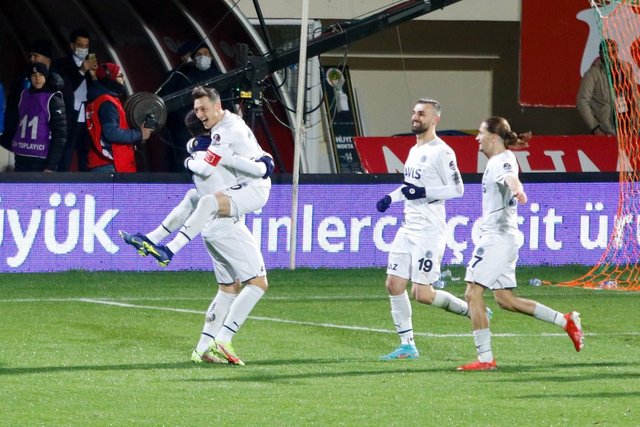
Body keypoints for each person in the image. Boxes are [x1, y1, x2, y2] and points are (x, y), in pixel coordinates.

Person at [120, 110, 272, 366]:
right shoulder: (216, 151)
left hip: (209, 228)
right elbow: (253, 166)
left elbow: (192, 198)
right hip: (227, 224)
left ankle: (202, 349)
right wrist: (264, 163)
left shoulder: (198, 152)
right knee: (258, 283)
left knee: (228, 288)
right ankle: (224, 339)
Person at [457, 116, 583, 371]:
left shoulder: (501, 160)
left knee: (472, 293)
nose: (477, 138)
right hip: (505, 236)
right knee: (505, 299)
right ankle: (566, 321)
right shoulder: (500, 159)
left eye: (481, 133)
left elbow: (510, 178)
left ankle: (485, 359)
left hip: (498, 238)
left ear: (494, 137)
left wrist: (518, 190)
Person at [125, 86, 273, 267]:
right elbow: (252, 157)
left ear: (217, 106)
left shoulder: (223, 132)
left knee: (208, 202)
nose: (200, 114)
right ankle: (151, 239)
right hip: (242, 186)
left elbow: (206, 169)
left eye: (204, 109)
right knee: (193, 197)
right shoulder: (230, 120)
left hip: (253, 189)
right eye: (196, 110)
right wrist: (264, 162)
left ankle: (170, 250)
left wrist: (188, 162)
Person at [376, 98, 475, 361]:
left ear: (435, 119)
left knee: (422, 294)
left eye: (421, 113)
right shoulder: (414, 149)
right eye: (414, 112)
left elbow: (457, 189)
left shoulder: (442, 151)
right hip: (408, 226)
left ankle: (472, 311)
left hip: (429, 231)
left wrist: (423, 192)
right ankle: (407, 346)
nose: (415, 117)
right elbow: (410, 187)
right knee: (394, 284)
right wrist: (390, 198)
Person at [85, 62, 152, 172]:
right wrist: (140, 134)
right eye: (120, 76)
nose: (124, 79)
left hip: (103, 163)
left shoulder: (99, 99)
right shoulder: (107, 103)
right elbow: (111, 133)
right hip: (111, 165)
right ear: (110, 79)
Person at [51, 28, 97, 171]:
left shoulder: (91, 65)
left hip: (87, 112)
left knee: (85, 150)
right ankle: (62, 179)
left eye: (86, 46)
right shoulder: (61, 64)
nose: (84, 49)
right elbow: (66, 87)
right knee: (67, 149)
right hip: (69, 112)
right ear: (72, 46)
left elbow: (96, 90)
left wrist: (94, 75)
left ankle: (85, 180)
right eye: (80, 45)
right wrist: (81, 71)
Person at [10, 62, 66, 172]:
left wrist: (51, 165)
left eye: (41, 74)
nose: (37, 78)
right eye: (34, 75)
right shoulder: (23, 95)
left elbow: (60, 134)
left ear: (46, 77)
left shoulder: (53, 99)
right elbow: (16, 122)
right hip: (21, 156)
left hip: (41, 159)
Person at [2, 39, 55, 151]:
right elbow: (11, 108)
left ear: (47, 59)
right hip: (17, 138)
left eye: (35, 56)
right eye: (31, 56)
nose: (31, 59)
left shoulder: (57, 81)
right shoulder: (22, 78)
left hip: (42, 141)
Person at [576, 39, 638, 135]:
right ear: (600, 54)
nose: (610, 56)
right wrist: (595, 128)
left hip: (627, 129)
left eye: (613, 52)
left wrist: (636, 120)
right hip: (606, 130)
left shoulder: (626, 68)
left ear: (617, 52)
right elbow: (582, 101)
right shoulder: (592, 74)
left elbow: (635, 96)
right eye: (607, 53)